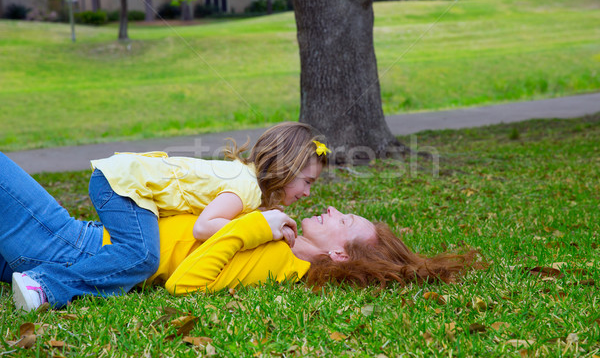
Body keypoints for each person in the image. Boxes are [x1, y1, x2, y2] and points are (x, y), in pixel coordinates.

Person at [1, 153, 481, 311]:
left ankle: (47, 288)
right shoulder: (282, 233)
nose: (334, 208)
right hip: (81, 238)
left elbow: (186, 284)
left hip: (71, 246)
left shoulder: (280, 262)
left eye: (345, 221)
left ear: (338, 256)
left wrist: (254, 227)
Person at [2, 122, 328, 310]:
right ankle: (45, 286)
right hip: (125, 183)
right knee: (142, 254)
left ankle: (27, 275)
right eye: (307, 181)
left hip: (123, 187)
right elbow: (205, 227)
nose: (309, 193)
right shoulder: (244, 187)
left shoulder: (246, 185)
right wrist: (259, 227)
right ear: (286, 167)